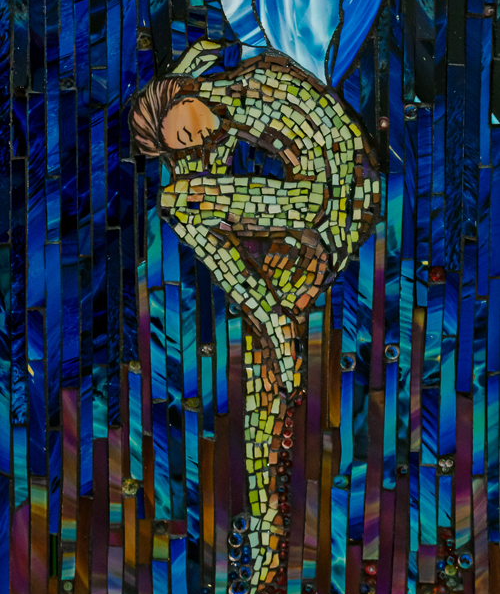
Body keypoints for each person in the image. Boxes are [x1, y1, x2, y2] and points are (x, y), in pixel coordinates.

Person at [129, 39, 380, 400]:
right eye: (184, 144)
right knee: (268, 316)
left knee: (178, 204)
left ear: (185, 96)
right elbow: (197, 154)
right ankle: (275, 338)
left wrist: (186, 70)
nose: (196, 138)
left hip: (333, 200)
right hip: (329, 231)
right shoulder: (212, 108)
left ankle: (273, 326)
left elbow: (198, 179)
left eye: (185, 133)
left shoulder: (251, 86)